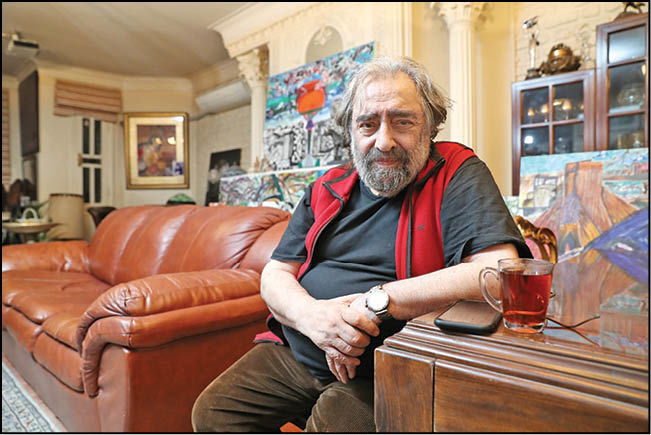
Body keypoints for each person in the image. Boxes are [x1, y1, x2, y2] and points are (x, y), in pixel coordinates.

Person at [192, 56, 531, 432]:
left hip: (386, 366)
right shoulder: (326, 187)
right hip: (301, 346)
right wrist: (314, 319)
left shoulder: (457, 172)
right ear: (350, 131)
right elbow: (275, 273)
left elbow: (497, 273)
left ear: (430, 126)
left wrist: (377, 303)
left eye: (402, 122)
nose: (384, 141)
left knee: (336, 423)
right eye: (368, 124)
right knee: (214, 413)